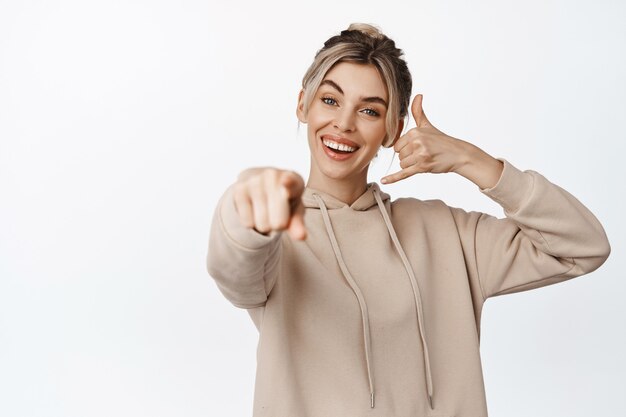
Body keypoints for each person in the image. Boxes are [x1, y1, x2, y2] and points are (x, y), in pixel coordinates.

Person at [206, 22, 611, 417]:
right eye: (330, 100)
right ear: (303, 105)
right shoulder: (278, 234)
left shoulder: (444, 232)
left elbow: (583, 247)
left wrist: (472, 161)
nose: (344, 123)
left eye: (369, 110)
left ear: (392, 129)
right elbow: (233, 265)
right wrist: (247, 212)